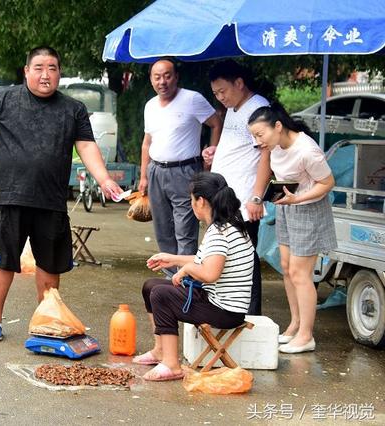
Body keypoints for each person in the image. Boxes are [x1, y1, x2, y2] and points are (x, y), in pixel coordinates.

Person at [0, 46, 122, 342]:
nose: (45, 74)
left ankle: (46, 319)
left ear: (59, 72)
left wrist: (103, 179)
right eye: (38, 67)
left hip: (51, 199)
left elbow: (86, 146)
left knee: (50, 264)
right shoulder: (4, 99)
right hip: (11, 196)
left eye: (52, 68)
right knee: (3, 260)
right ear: (26, 71)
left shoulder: (73, 109)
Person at [133, 172, 254, 380]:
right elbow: (207, 260)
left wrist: (186, 269)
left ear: (201, 201)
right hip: (222, 305)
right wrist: (173, 259)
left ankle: (171, 365)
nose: (191, 204)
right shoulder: (227, 225)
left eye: (191, 199)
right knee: (150, 286)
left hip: (224, 311)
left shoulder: (219, 231)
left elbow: (209, 273)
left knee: (161, 294)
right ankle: (160, 350)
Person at [248, 104, 336, 354]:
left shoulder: (307, 150)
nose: (258, 141)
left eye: (259, 135)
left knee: (300, 274)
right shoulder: (276, 145)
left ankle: (307, 336)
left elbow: (328, 182)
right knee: (286, 268)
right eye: (254, 136)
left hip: (308, 210)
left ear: (277, 126)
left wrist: (298, 199)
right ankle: (295, 324)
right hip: (288, 206)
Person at [203, 60, 270, 315]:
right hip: (226, 198)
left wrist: (256, 197)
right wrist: (215, 153)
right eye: (216, 94)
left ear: (239, 83)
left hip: (243, 200)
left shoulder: (259, 108)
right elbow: (241, 148)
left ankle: (249, 316)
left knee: (244, 261)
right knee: (224, 258)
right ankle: (229, 310)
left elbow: (266, 156)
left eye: (223, 91)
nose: (220, 98)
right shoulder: (232, 109)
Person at [139, 58, 223, 264]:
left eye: (167, 76)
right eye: (157, 77)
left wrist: (212, 154)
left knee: (185, 229)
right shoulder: (150, 106)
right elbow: (146, 143)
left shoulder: (192, 99)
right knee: (163, 229)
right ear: (151, 79)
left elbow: (216, 123)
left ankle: (185, 284)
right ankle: (171, 281)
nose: (162, 82)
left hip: (185, 171)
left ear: (176, 77)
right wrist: (143, 176)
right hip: (156, 171)